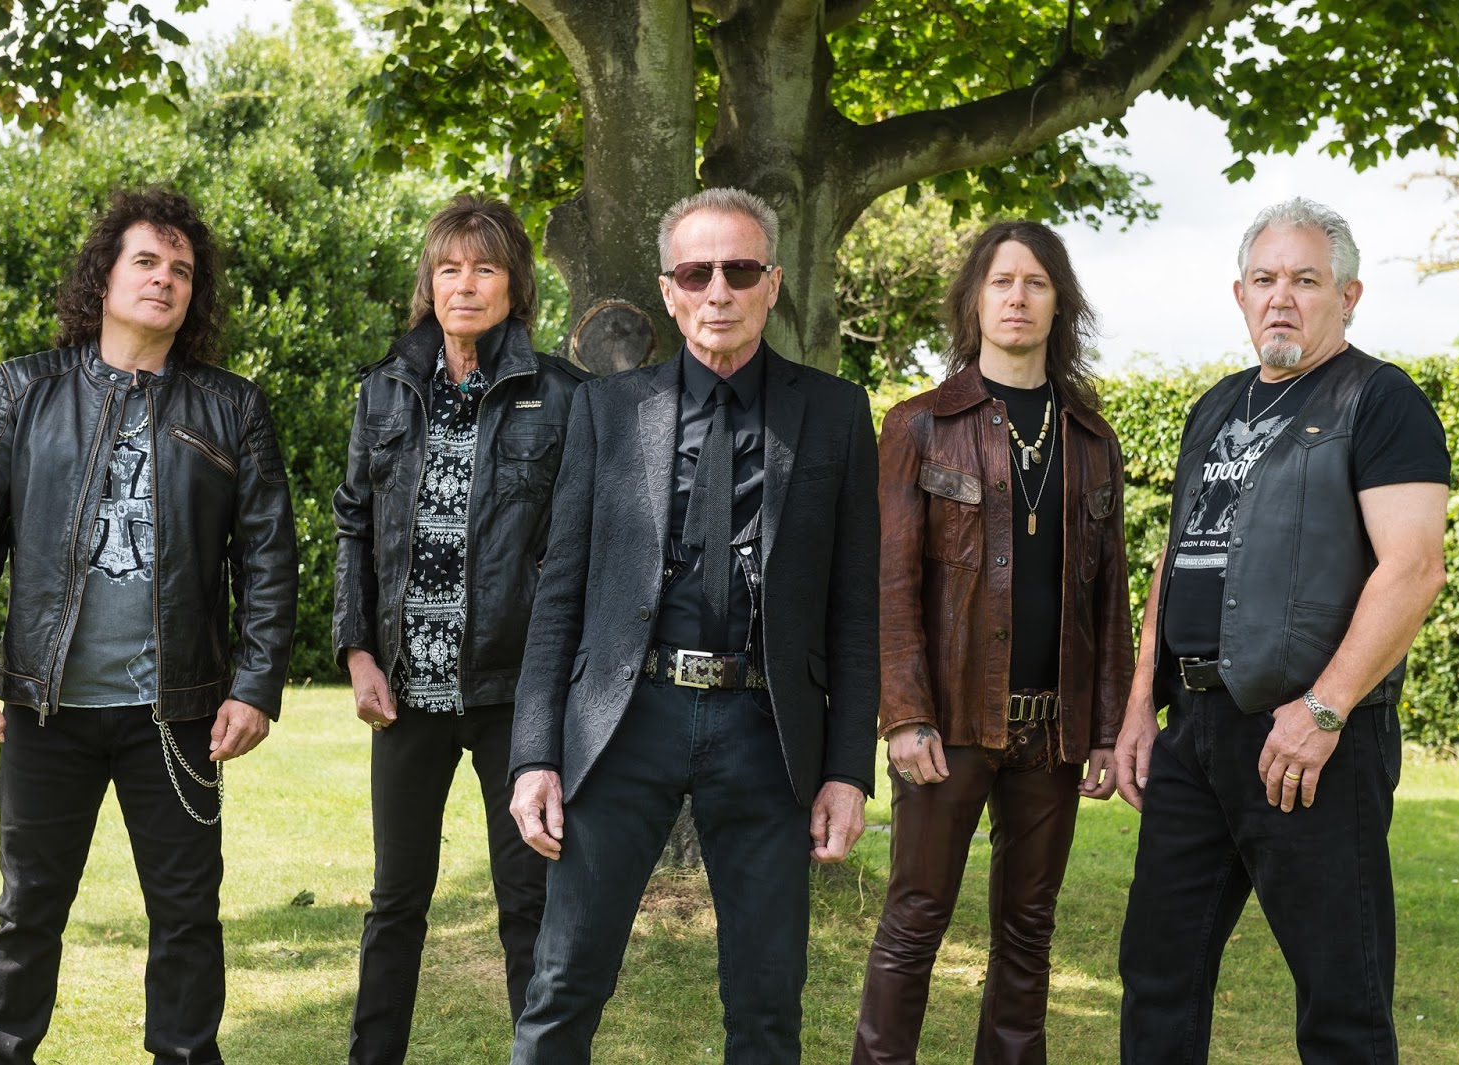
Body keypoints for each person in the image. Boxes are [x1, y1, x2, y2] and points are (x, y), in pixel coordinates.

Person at [505, 187, 880, 1064]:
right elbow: (558, 595)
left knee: (767, 1006)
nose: (719, 291)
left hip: (765, 727)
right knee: (563, 985)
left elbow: (855, 608)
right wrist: (534, 754)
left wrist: (846, 771)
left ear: (772, 284)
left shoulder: (836, 414)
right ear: (669, 290)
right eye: (697, 272)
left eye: (740, 270)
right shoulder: (606, 409)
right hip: (626, 719)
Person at [0, 187, 298, 1065]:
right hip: (45, 710)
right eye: (146, 260)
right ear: (104, 276)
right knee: (28, 911)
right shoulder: (22, 389)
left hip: (176, 716)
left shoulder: (233, 406)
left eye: (182, 269)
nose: (164, 278)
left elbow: (269, 559)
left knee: (187, 918)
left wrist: (255, 688)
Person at [1115, 198, 1449, 1064]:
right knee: (1156, 974)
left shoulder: (1380, 400)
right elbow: (1177, 558)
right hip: (1192, 734)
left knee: (1341, 1000)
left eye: (1306, 279)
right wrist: (1139, 706)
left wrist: (1323, 710)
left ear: (1349, 295)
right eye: (1264, 279)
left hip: (1308, 740)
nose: (1282, 297)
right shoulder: (1212, 407)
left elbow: (1414, 568)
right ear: (1240, 294)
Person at [853, 221, 1133, 1064]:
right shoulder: (917, 426)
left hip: (1053, 730)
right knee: (915, 919)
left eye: (1036, 282)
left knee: (1029, 930)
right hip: (950, 724)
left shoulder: (1092, 438)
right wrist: (905, 714)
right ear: (973, 301)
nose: (1018, 297)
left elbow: (1109, 598)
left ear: (1060, 304)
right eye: (1001, 281)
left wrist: (1109, 729)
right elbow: (891, 585)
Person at [332, 194, 586, 1062]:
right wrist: (358, 651)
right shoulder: (385, 389)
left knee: (528, 901)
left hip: (517, 695)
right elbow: (354, 524)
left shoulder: (563, 395)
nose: (465, 284)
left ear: (514, 286)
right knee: (395, 899)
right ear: (429, 284)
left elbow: (581, 546)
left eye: (484, 268)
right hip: (406, 693)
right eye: (449, 268)